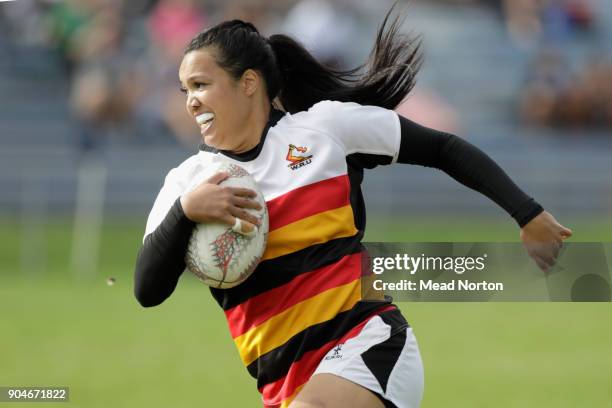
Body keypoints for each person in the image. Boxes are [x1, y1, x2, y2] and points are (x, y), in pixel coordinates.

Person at [134, 9, 572, 408]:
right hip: (282, 384)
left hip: (369, 345)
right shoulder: (187, 182)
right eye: (185, 89)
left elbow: (443, 148)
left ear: (248, 83)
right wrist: (187, 211)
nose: (190, 100)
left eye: (201, 84)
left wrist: (527, 214)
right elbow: (147, 290)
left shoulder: (324, 130)